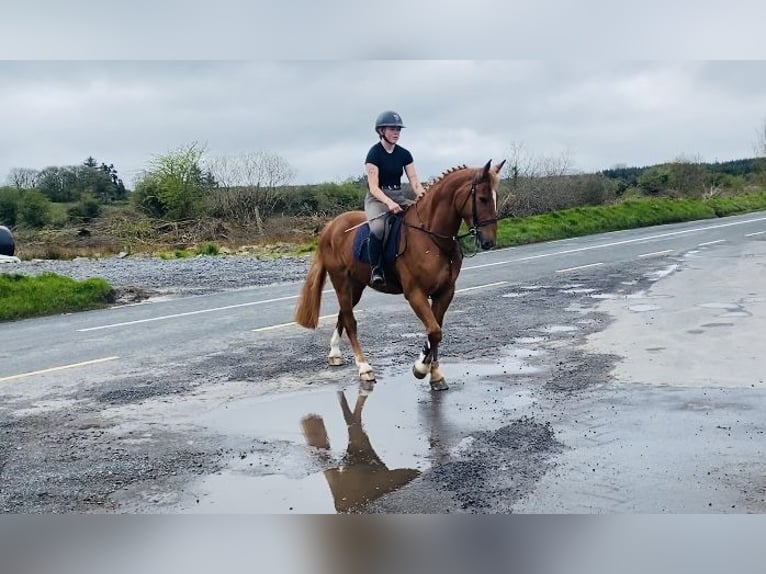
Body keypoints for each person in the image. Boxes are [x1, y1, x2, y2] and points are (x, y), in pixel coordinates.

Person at [364, 110, 427, 286]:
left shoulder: (404, 154)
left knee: (422, 218)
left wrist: (423, 197)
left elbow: (414, 181)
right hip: (377, 199)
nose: (396, 133)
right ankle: (376, 268)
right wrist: (389, 203)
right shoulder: (374, 154)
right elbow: (374, 187)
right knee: (377, 228)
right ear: (381, 131)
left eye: (398, 129)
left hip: (399, 196)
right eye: (392, 129)